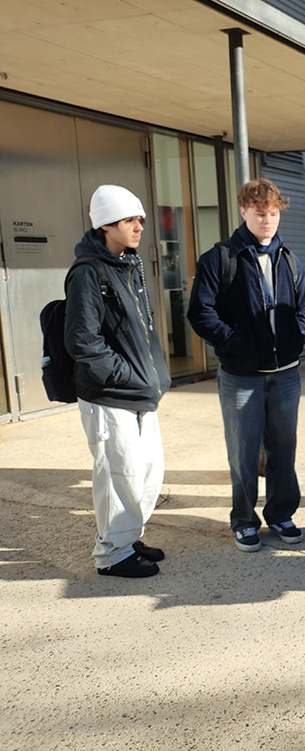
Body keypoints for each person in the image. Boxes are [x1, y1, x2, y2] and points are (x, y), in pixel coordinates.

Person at [188, 178, 305, 552]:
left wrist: (299, 335)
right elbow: (200, 312)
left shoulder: (288, 258)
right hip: (241, 377)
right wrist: (236, 343)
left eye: (274, 213)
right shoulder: (220, 259)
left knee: (283, 450)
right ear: (244, 211)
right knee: (243, 454)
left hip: (286, 375)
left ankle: (281, 514)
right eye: (260, 213)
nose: (268, 220)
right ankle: (244, 521)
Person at [65, 185, 171, 578]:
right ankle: (112, 554)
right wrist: (126, 376)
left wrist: (150, 377)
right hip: (110, 395)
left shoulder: (128, 264)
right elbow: (83, 341)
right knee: (117, 475)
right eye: (130, 220)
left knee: (147, 472)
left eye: (140, 218)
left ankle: (128, 536)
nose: (140, 226)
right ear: (106, 225)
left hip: (139, 392)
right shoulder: (88, 272)